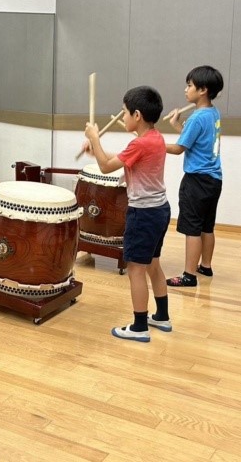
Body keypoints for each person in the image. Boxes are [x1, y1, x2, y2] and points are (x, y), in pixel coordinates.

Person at [84, 86, 172, 342]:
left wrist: (95, 139)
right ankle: (162, 317)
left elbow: (105, 167)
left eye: (124, 113)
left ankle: (139, 326)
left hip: (143, 214)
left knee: (135, 269)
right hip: (160, 210)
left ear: (137, 115)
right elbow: (126, 159)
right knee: (153, 264)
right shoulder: (155, 138)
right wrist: (96, 149)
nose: (122, 117)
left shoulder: (139, 143)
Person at [164, 65, 224, 287]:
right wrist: (177, 125)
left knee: (192, 229)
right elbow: (194, 141)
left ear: (203, 90)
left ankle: (189, 275)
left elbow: (180, 148)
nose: (185, 90)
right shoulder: (212, 113)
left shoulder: (197, 117)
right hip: (213, 179)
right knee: (207, 226)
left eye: (189, 85)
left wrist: (152, 143)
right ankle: (205, 266)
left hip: (196, 180)